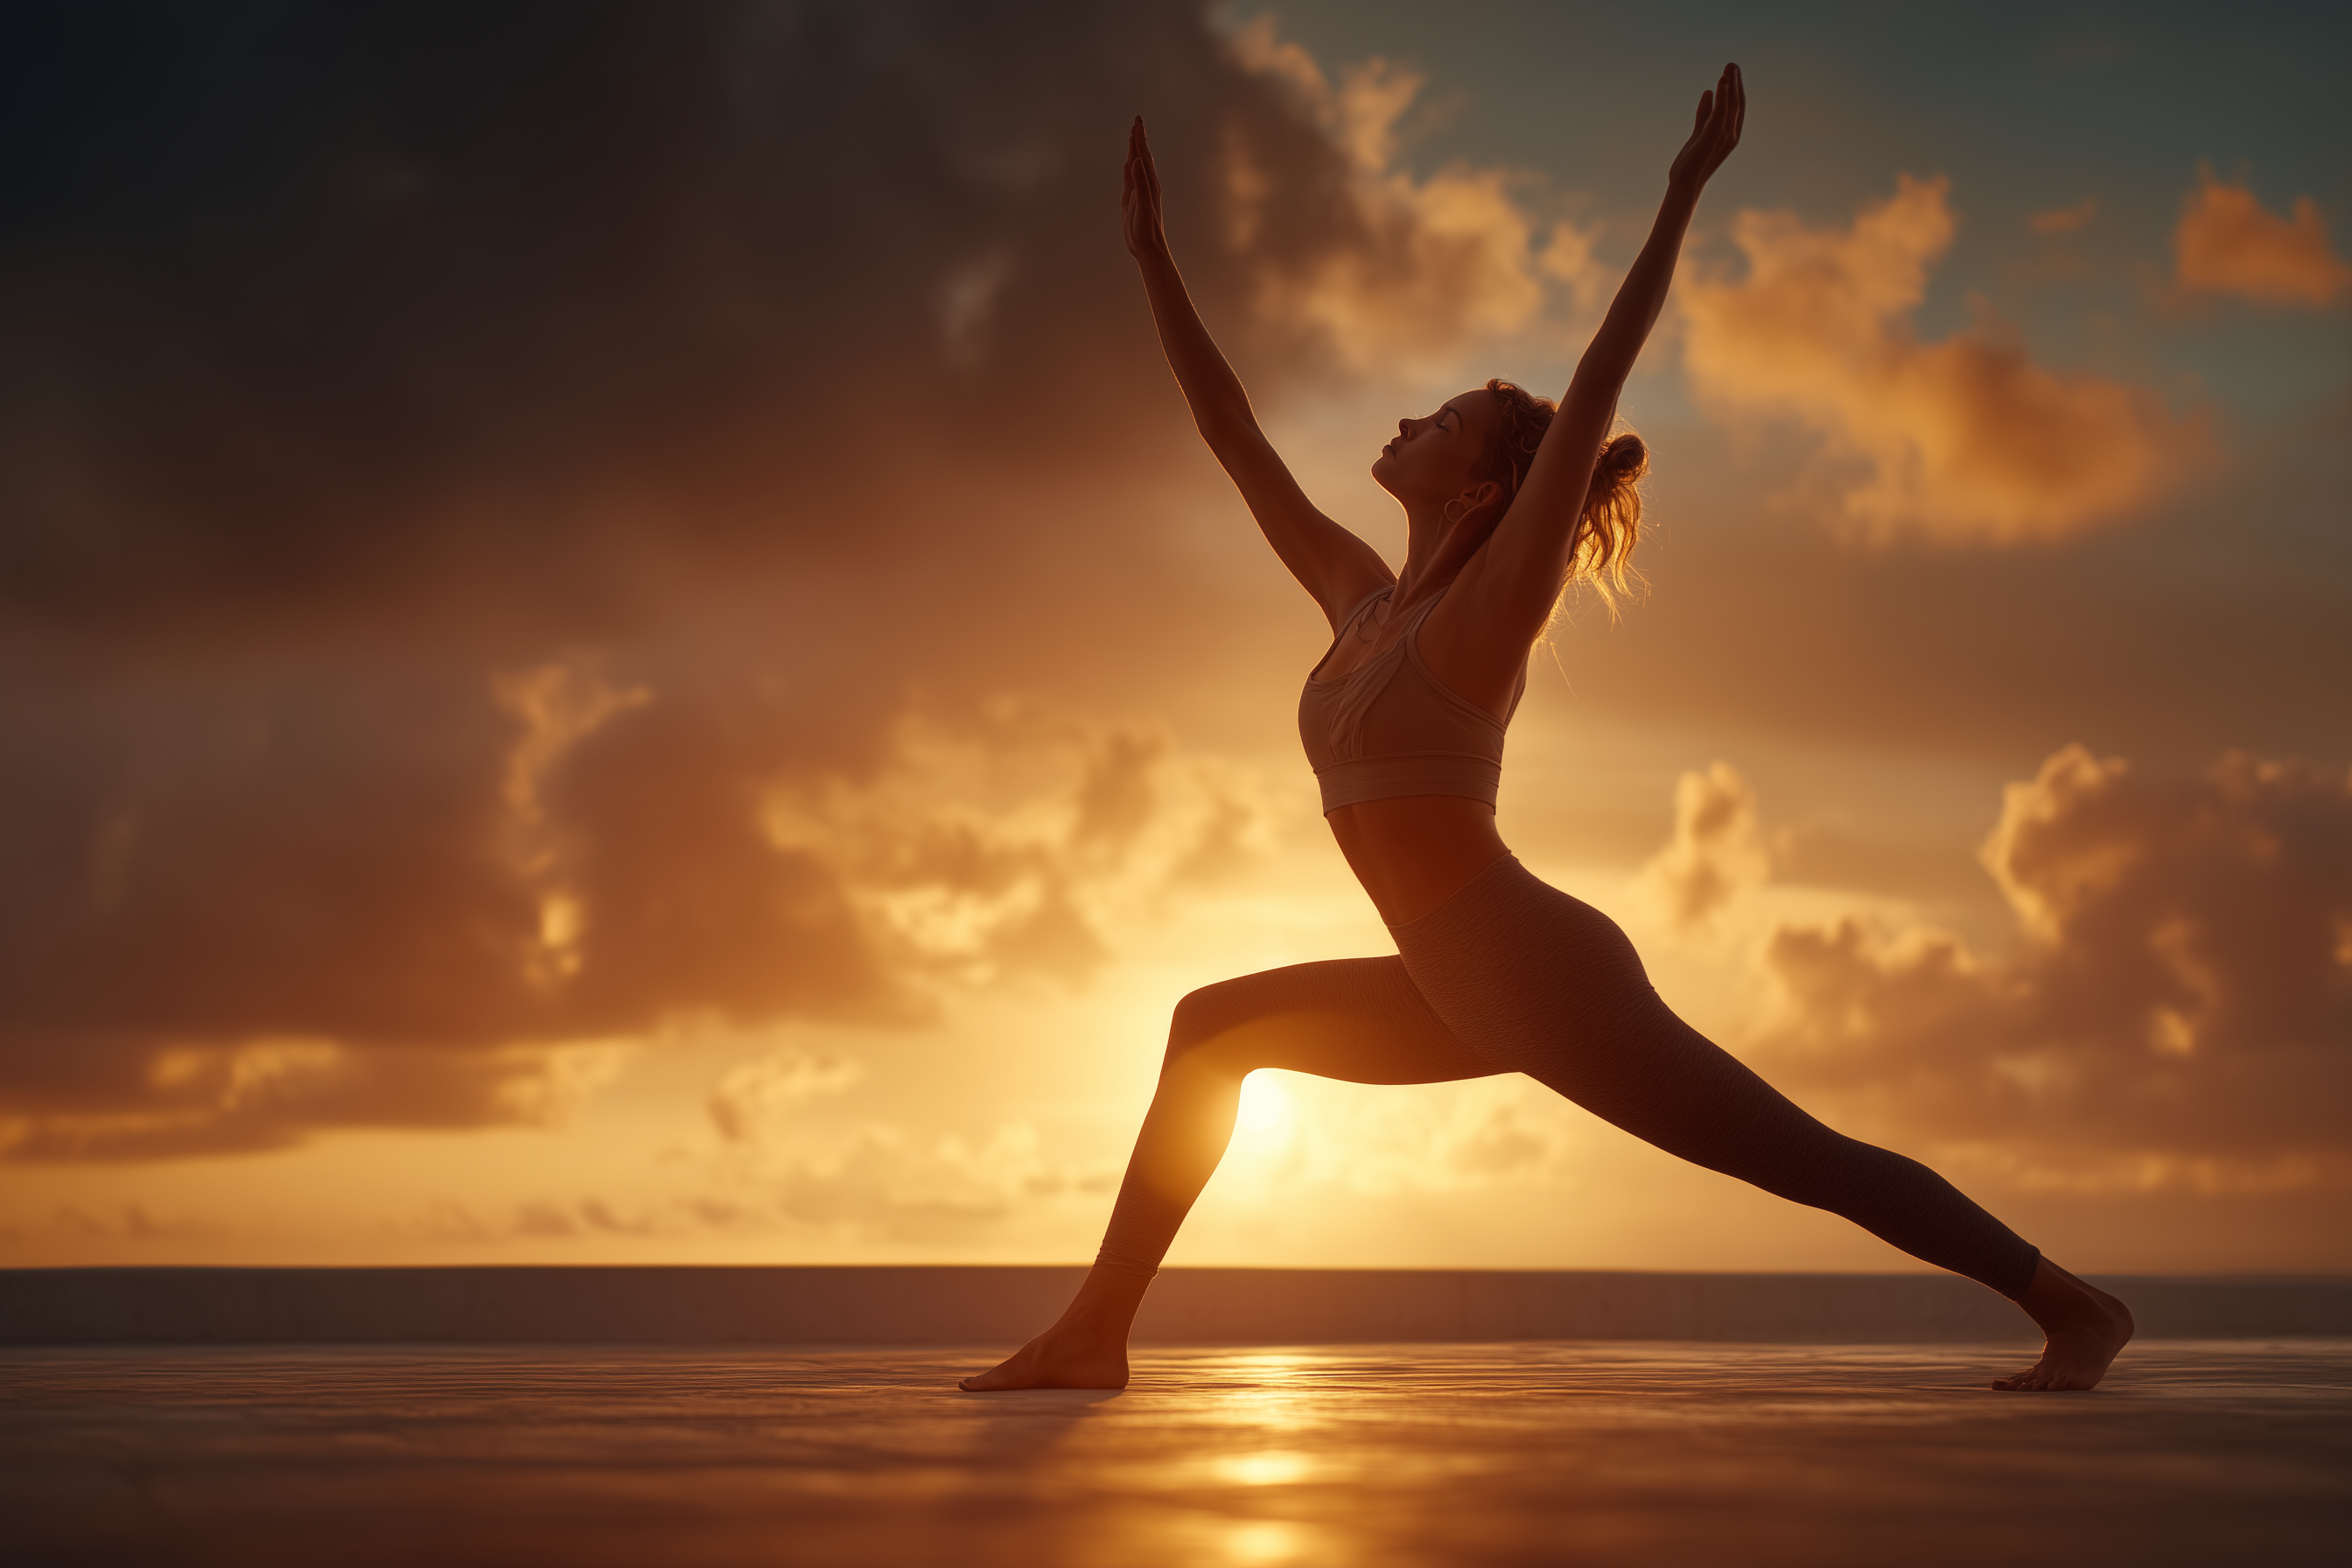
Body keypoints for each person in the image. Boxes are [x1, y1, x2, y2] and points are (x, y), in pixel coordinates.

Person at [961, 65, 2132, 1395]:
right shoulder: (1360, 603)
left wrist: (1681, 196)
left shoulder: (1491, 613)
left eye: (1441, 419)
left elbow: (1597, 382)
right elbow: (1231, 432)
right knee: (1210, 1029)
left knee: (1805, 1160)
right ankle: (1094, 1334)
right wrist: (1153, 261)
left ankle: (2073, 1304)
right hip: (1448, 979)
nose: (1407, 419)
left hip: (1537, 970)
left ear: (1483, 484)